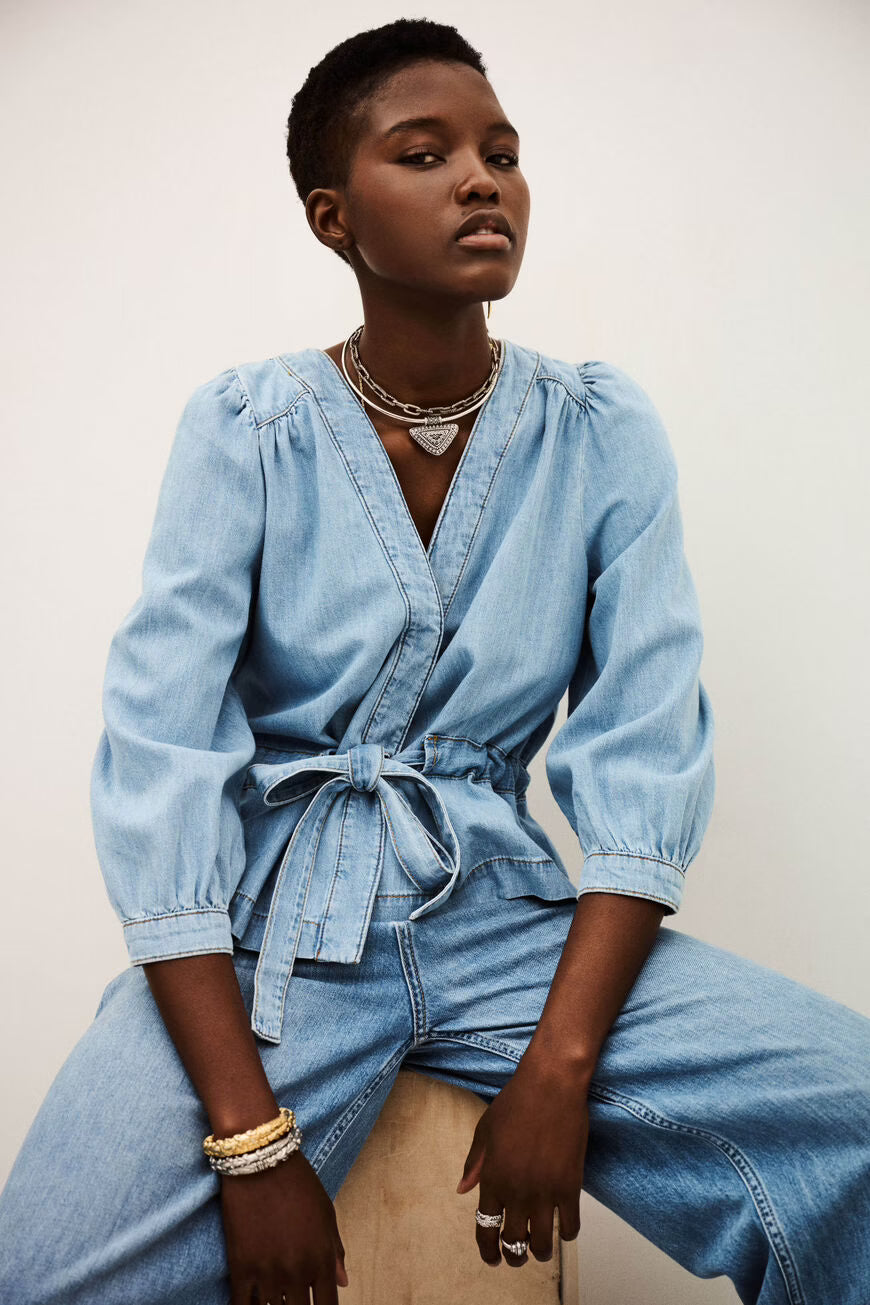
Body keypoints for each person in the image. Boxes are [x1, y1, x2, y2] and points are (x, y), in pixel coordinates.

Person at [1, 17, 868, 1305]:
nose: (483, 180)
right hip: (273, 951)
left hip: (506, 928)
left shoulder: (601, 433)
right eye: (428, 153)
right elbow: (161, 759)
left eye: (503, 154)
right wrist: (250, 1146)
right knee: (45, 1276)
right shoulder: (248, 429)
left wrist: (561, 1069)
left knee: (852, 1117)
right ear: (333, 217)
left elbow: (643, 745)